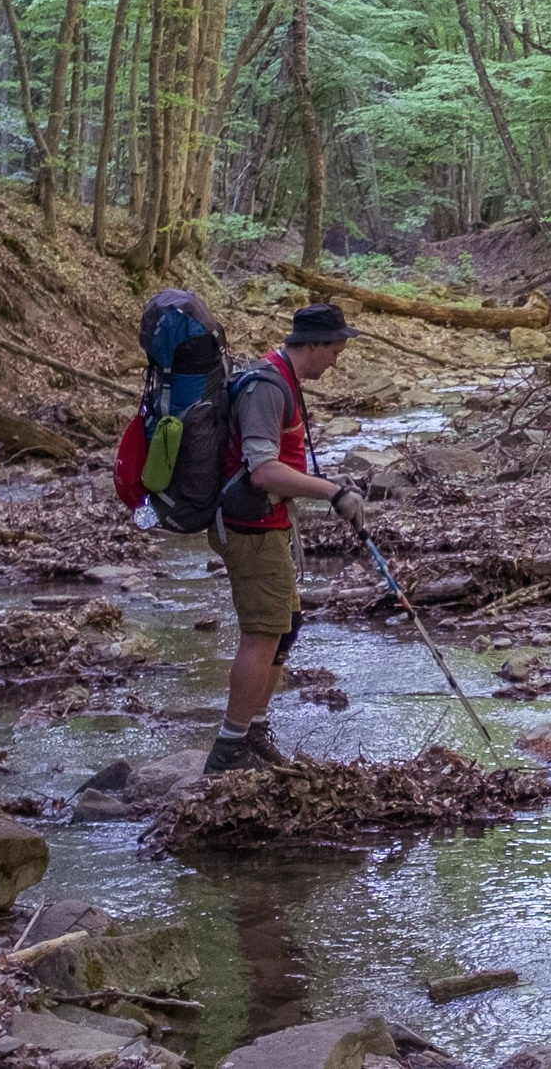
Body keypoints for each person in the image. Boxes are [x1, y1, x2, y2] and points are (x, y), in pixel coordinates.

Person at [207, 302, 370, 775]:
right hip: (248, 527)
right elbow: (262, 472)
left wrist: (332, 486)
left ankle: (253, 732)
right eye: (335, 349)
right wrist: (332, 492)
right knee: (264, 632)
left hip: (266, 523)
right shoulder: (266, 388)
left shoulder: (281, 379)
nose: (337, 360)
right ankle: (229, 748)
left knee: (286, 622)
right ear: (313, 345)